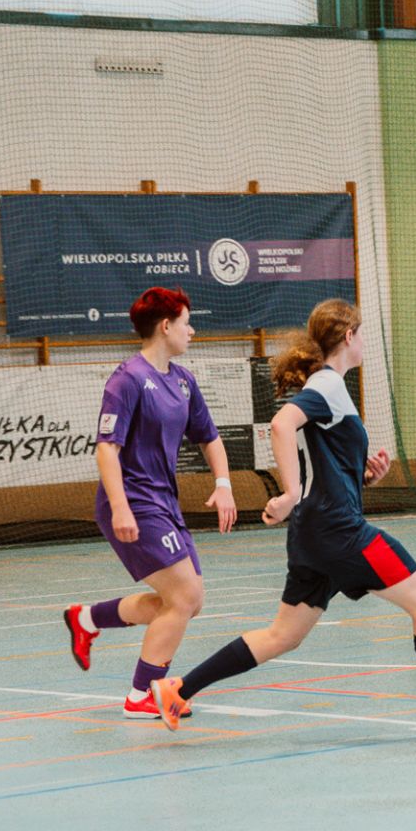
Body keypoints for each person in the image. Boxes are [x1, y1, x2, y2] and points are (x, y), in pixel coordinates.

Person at [151, 300, 416, 740]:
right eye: (363, 333)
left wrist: (365, 476)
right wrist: (289, 493)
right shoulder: (327, 384)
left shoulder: (329, 387)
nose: (365, 342)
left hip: (314, 533)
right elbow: (281, 425)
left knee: (282, 635)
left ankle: (178, 690)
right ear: (349, 336)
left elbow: (327, 467)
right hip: (341, 532)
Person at [64, 288, 237, 716]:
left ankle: (86, 619)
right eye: (186, 323)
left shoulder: (182, 380)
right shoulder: (126, 379)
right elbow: (107, 449)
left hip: (164, 502)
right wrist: (120, 506)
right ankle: (142, 694)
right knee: (184, 595)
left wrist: (224, 484)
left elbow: (210, 437)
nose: (191, 331)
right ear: (165, 326)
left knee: (187, 602)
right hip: (134, 501)